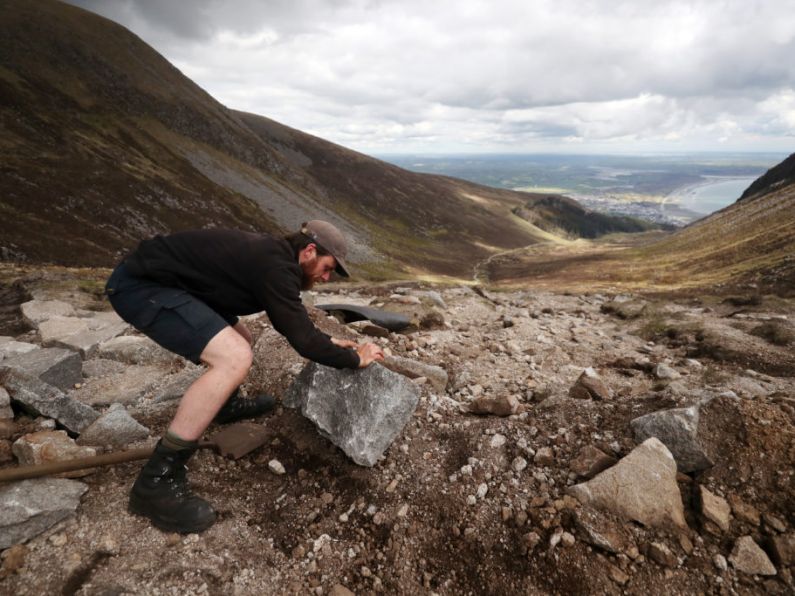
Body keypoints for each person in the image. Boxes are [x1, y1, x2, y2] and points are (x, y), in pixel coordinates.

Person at [105, 220, 385, 533]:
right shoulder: (276, 268)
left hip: (174, 285)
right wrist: (354, 359)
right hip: (141, 288)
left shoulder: (275, 258)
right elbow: (302, 340)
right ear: (308, 252)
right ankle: (156, 481)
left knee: (242, 337)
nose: (325, 277)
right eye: (327, 267)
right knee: (234, 357)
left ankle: (224, 405)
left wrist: (329, 342)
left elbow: (292, 319)